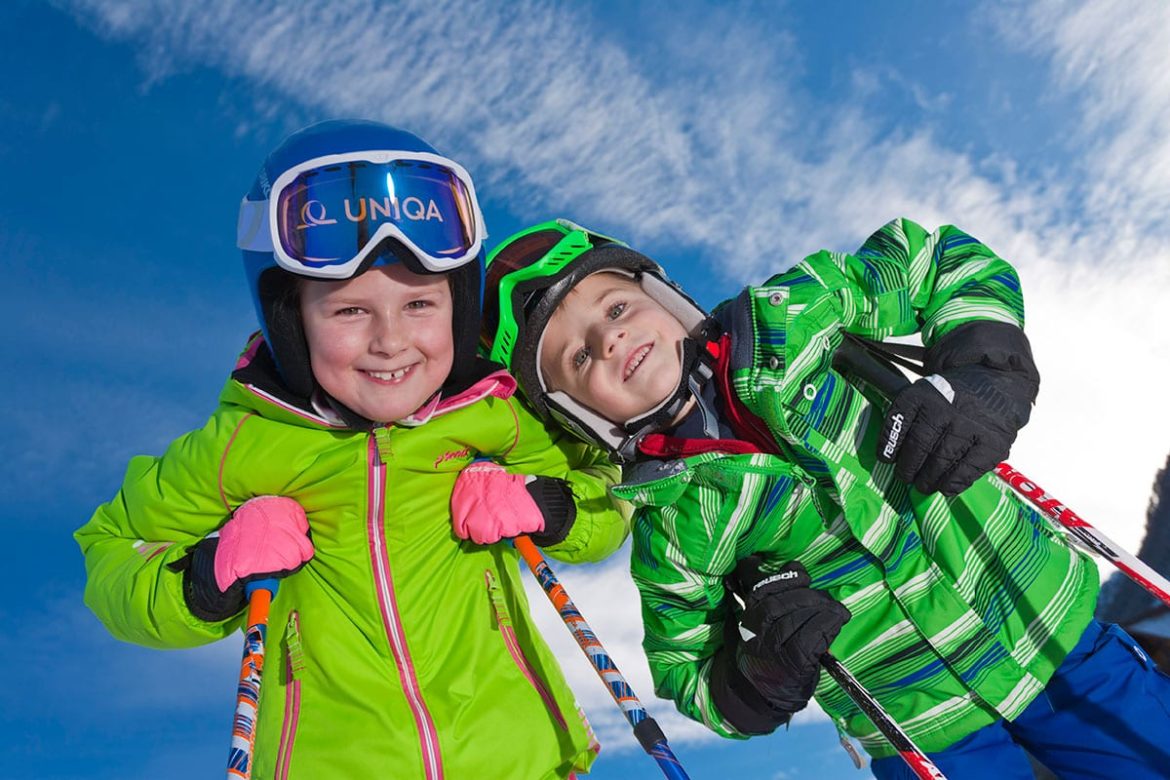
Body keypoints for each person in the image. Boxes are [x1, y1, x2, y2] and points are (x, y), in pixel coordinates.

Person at [479, 217, 1170, 778]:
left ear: (661, 294)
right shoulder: (675, 526)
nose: (610, 338)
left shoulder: (791, 319)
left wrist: (985, 367)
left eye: (617, 305)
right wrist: (761, 673)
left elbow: (934, 262)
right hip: (921, 734)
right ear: (576, 413)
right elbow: (685, 667)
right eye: (576, 358)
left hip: (1052, 633)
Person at [75, 123, 629, 780]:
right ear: (289, 319)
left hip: (524, 760)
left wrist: (548, 506)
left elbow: (613, 480)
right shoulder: (240, 448)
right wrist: (207, 576)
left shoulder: (498, 415)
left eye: (419, 303)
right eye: (348, 312)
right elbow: (112, 550)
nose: (390, 341)